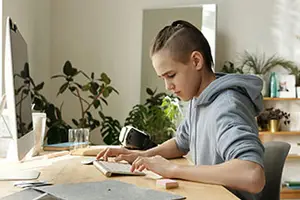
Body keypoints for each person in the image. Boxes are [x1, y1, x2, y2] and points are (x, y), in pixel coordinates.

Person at [96, 20, 265, 200]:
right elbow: (181, 143)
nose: (168, 86)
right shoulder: (198, 99)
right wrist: (141, 155)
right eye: (163, 78)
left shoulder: (227, 106)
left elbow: (252, 175)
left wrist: (173, 170)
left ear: (196, 61)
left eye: (171, 75)